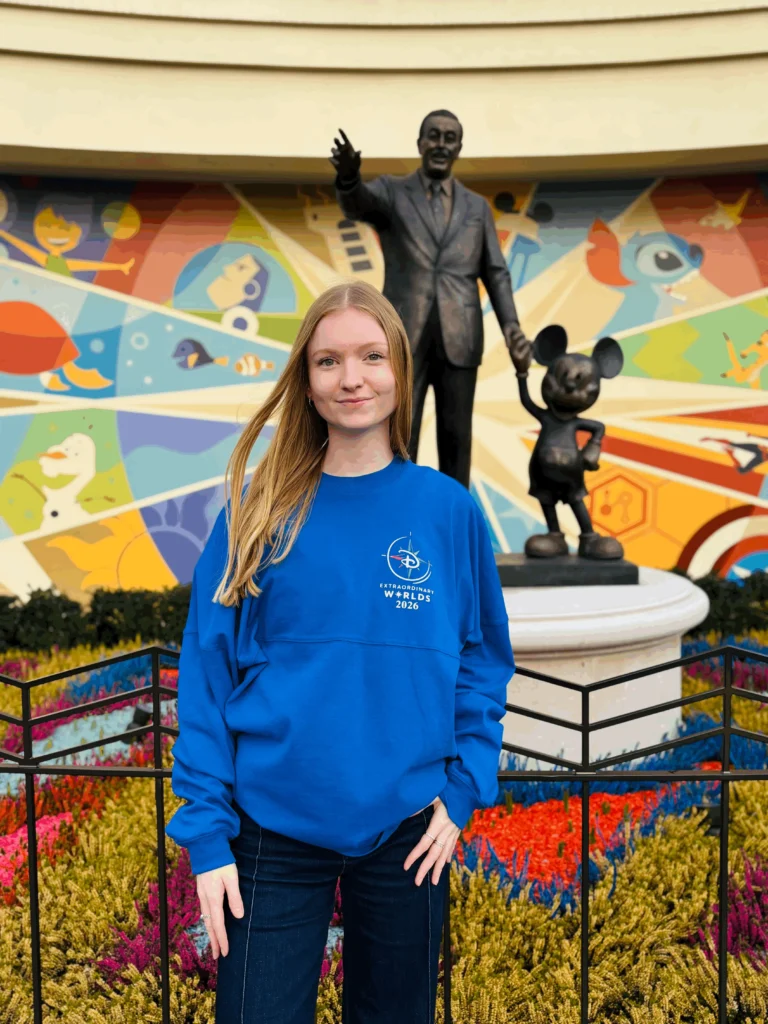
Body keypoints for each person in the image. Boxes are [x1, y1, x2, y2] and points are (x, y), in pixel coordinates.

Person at [166, 280, 516, 1024]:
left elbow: (483, 661)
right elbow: (207, 675)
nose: (351, 378)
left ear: (400, 371)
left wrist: (463, 788)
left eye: (371, 357)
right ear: (306, 379)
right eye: (328, 361)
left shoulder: (447, 511)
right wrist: (207, 836)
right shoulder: (257, 512)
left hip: (408, 834)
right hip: (269, 832)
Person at [330, 111, 527, 489]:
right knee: (401, 431)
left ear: (459, 148)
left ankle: (454, 517)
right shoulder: (393, 191)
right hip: (404, 335)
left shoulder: (476, 207)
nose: (441, 144)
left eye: (449, 138)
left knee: (456, 437)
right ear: (420, 143)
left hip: (461, 335)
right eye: (433, 136)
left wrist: (512, 327)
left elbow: (495, 272)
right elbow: (358, 204)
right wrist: (349, 178)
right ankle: (396, 512)